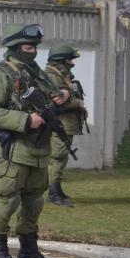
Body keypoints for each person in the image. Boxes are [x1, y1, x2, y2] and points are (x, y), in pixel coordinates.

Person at [0, 22, 67, 258]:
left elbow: (53, 95)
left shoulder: (37, 74)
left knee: (35, 200)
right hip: (14, 149)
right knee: (8, 200)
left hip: (39, 149)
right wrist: (26, 120)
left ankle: (28, 251)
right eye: (28, 47)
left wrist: (63, 96)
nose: (33, 51)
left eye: (35, 47)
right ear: (15, 47)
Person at [43, 44, 86, 207]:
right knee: (57, 158)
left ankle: (57, 188)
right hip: (59, 124)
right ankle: (53, 193)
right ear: (60, 60)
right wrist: (78, 102)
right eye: (69, 59)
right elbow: (56, 102)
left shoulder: (61, 75)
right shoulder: (53, 77)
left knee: (61, 157)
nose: (72, 62)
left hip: (66, 123)